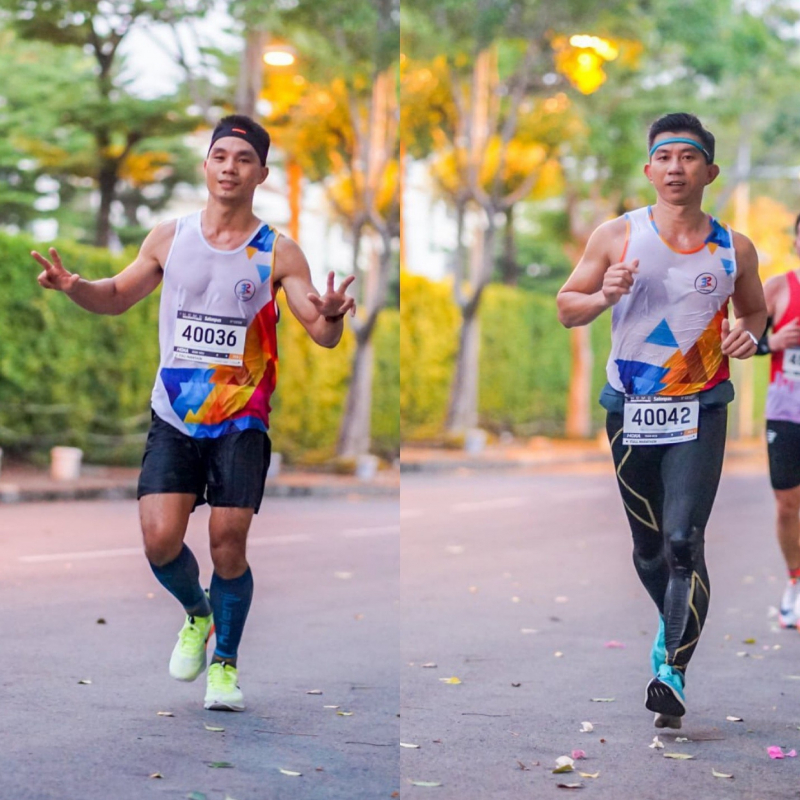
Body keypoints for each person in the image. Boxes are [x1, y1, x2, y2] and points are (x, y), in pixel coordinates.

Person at [32, 114, 355, 712]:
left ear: (260, 172)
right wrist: (73, 284)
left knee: (228, 543)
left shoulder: (278, 251)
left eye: (243, 159)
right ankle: (197, 613)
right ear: (206, 165)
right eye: (220, 156)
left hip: (242, 419)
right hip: (174, 416)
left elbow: (320, 330)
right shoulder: (169, 237)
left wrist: (332, 312)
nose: (229, 167)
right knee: (159, 542)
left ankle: (225, 667)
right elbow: (116, 296)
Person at [556, 112, 767, 729]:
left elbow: (753, 313)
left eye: (689, 157)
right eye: (665, 157)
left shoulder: (735, 248)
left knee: (683, 542)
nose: (676, 167)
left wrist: (748, 337)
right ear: (649, 170)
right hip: (631, 409)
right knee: (649, 548)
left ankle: (670, 671)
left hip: (701, 406)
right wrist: (604, 295)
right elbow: (569, 308)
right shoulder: (616, 235)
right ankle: (673, 623)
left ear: (710, 170)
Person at [756, 213, 800, 629]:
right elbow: (738, 338)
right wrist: (775, 340)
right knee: (788, 503)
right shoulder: (779, 288)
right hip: (788, 412)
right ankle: (795, 583)